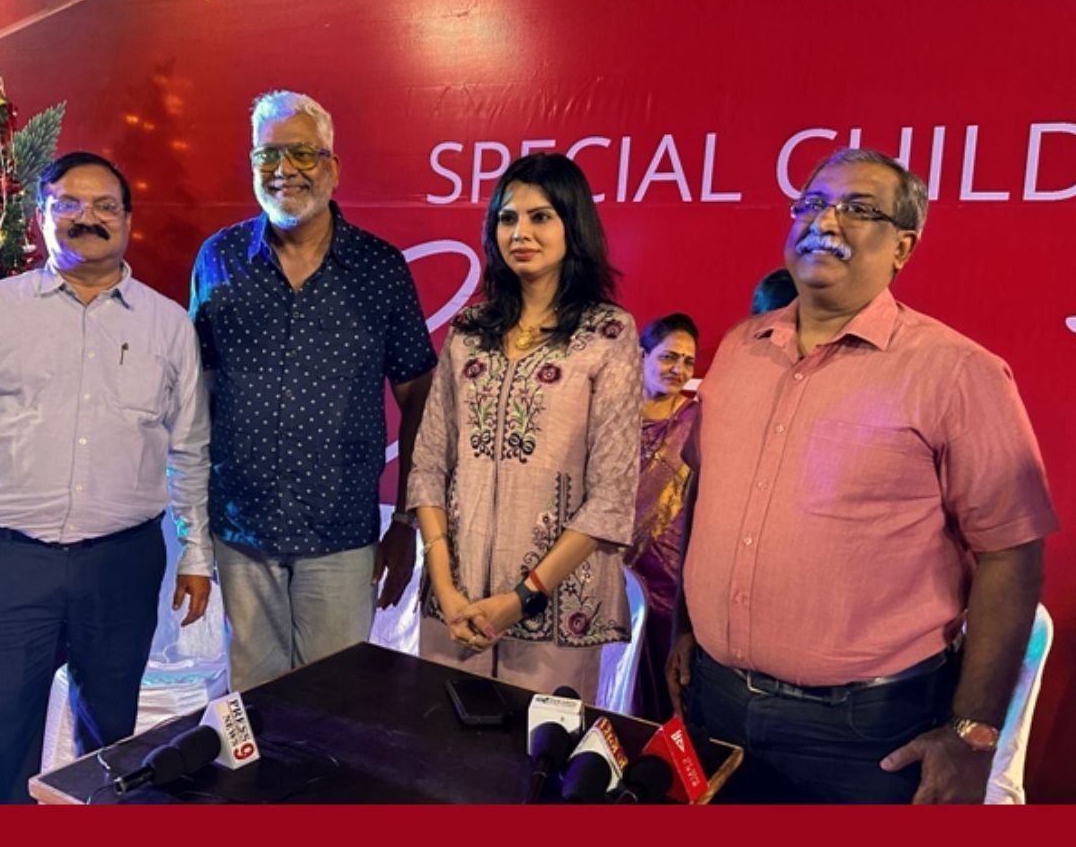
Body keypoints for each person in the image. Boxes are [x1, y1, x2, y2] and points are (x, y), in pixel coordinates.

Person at [666, 148, 1057, 803]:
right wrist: (685, 626)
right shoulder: (737, 349)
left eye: (858, 209)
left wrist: (973, 733)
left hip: (865, 735)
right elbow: (703, 494)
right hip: (715, 705)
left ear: (903, 246)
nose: (826, 221)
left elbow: (1012, 554)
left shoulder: (959, 373)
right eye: (813, 203)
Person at [0, 151, 212, 804]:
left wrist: (196, 554)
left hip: (122, 567)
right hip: (7, 565)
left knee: (114, 751)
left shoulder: (167, 325)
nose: (86, 217)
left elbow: (189, 449)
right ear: (41, 215)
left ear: (127, 220)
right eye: (68, 203)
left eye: (104, 206)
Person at [190, 90, 436, 692]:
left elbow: (420, 402)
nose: (284, 170)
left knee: (336, 706)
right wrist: (192, 532)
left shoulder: (380, 268)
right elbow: (194, 398)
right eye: (267, 155)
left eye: (302, 153)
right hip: (240, 532)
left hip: (341, 535)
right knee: (254, 705)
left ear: (332, 166)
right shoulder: (218, 258)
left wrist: (406, 523)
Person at [408, 153, 641, 699]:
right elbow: (429, 464)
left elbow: (611, 496)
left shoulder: (607, 334)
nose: (521, 233)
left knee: (536, 750)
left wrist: (522, 598)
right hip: (457, 608)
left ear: (572, 224)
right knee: (441, 740)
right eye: (507, 218)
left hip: (553, 612)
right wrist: (445, 587)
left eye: (541, 217)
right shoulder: (469, 329)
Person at [626, 312, 699, 721]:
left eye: (688, 362)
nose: (679, 370)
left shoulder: (696, 421)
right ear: (642, 356)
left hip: (668, 580)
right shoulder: (612, 416)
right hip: (605, 570)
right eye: (669, 357)